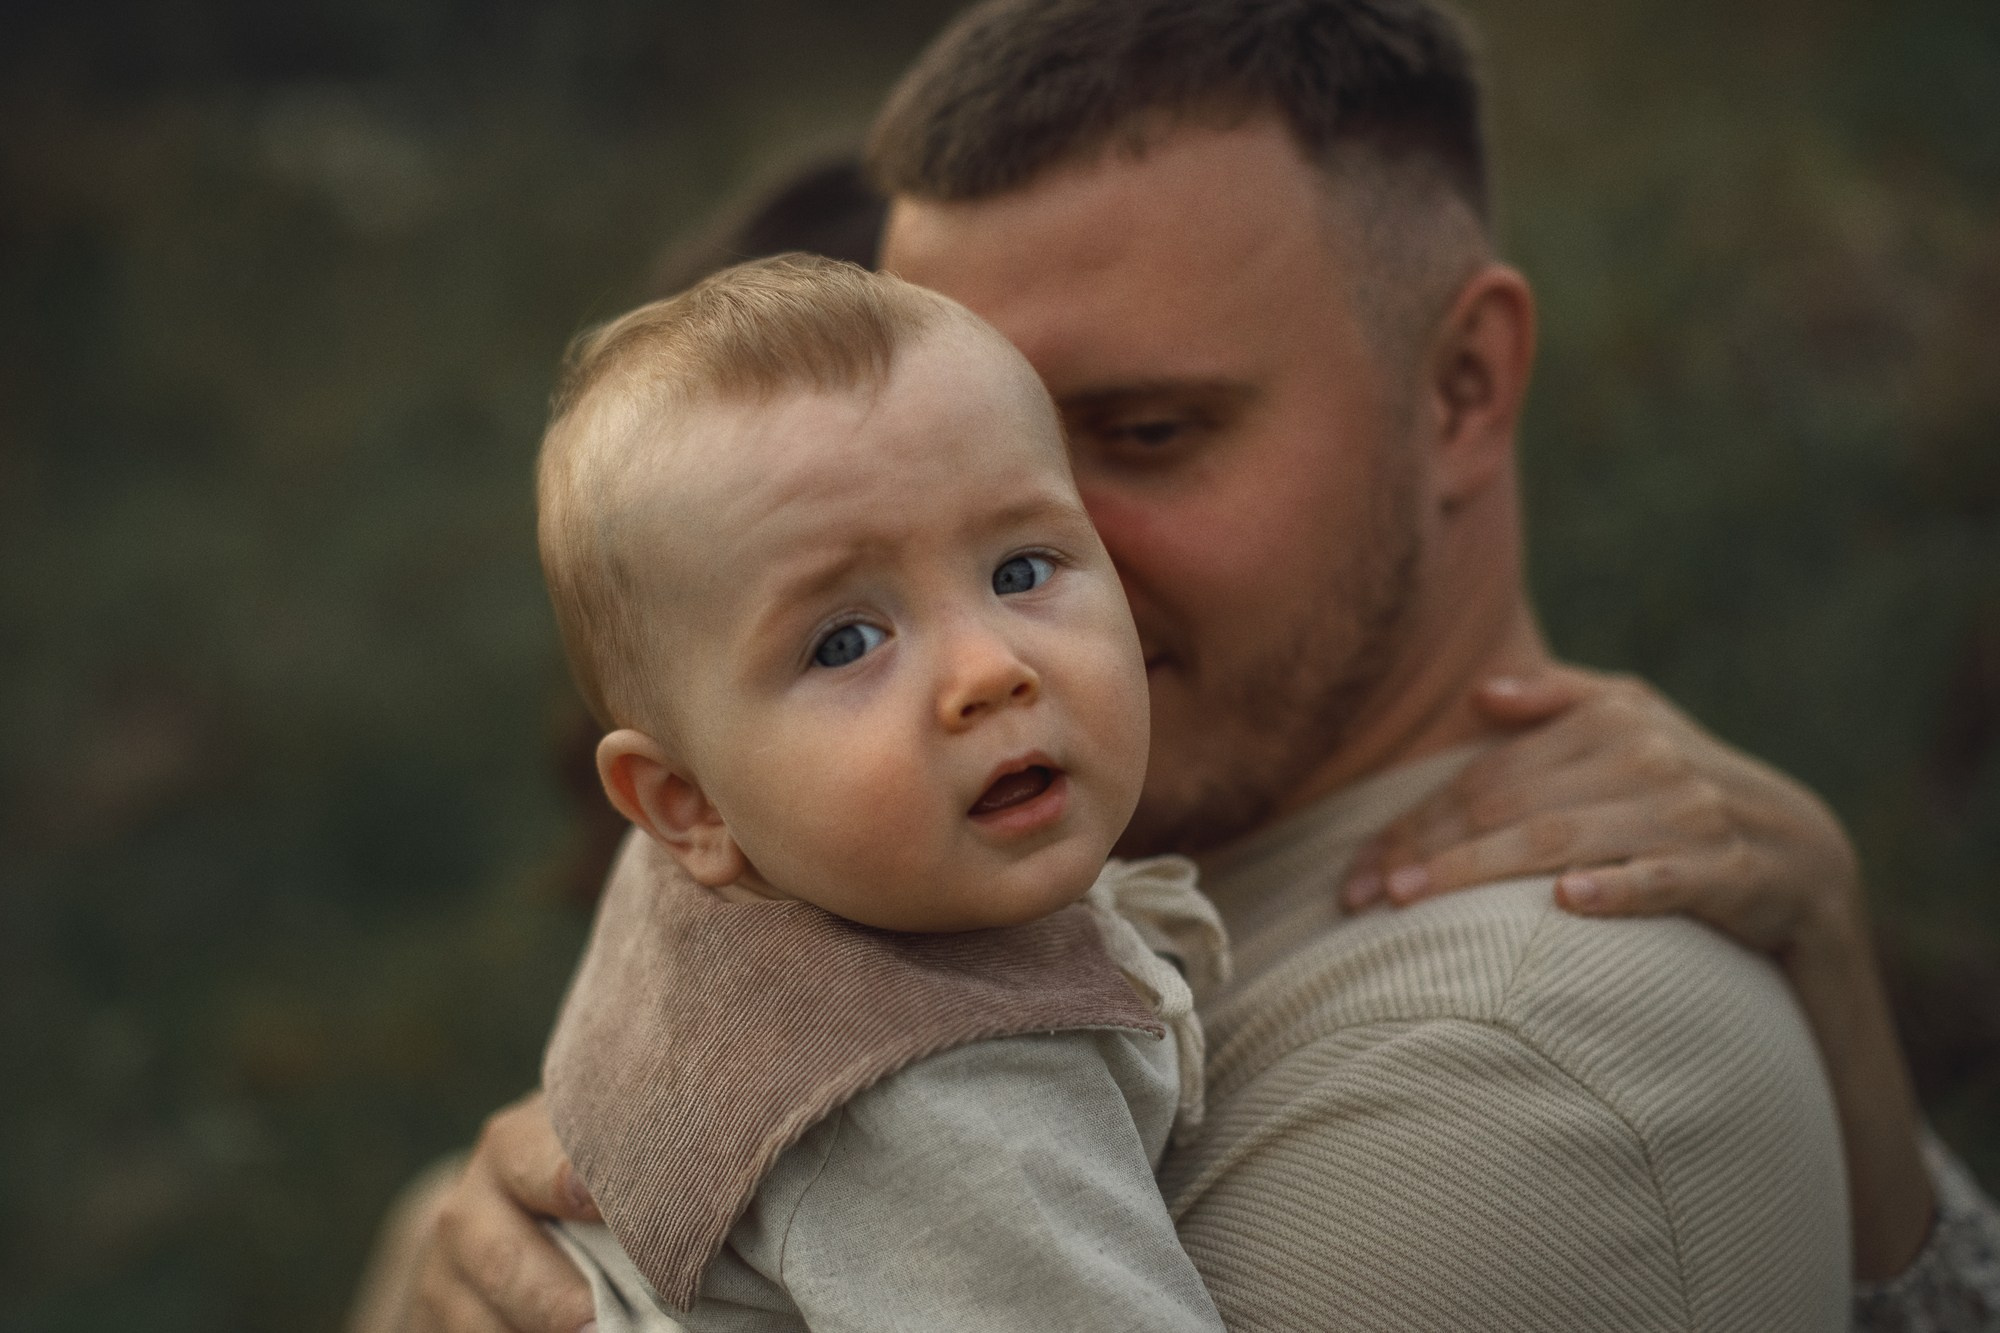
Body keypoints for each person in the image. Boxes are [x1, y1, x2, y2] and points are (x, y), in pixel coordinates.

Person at [377, 1, 2000, 1329]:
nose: (999, 631)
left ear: (1461, 388)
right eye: (953, 441)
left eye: (1146, 435)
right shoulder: (952, 887)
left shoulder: (1518, 1071)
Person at [533, 252, 1226, 1329]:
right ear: (686, 805)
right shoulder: (945, 1113)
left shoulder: (749, 852)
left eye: (1020, 570)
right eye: (846, 641)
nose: (987, 669)